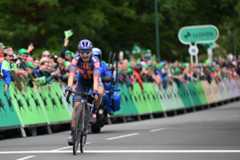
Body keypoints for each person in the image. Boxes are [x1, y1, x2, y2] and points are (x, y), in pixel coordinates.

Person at [66, 39, 104, 145]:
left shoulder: (95, 61)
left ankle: (94, 110)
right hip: (82, 81)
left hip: (93, 81)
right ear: (79, 52)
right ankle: (73, 133)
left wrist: (95, 91)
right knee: (77, 105)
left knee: (100, 93)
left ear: (91, 51)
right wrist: (69, 87)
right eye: (82, 52)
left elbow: (96, 78)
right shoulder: (76, 59)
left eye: (87, 52)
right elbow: (71, 74)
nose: (85, 54)